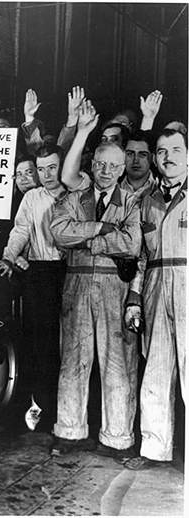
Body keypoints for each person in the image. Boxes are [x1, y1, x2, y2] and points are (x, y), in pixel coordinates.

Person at [49, 101, 142, 460]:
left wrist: (86, 239)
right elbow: (58, 233)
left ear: (122, 170)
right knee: (73, 359)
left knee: (117, 363)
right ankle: (69, 432)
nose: (105, 170)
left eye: (113, 166)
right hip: (75, 285)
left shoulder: (133, 201)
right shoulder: (75, 197)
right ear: (92, 164)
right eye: (100, 164)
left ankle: (118, 437)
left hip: (113, 288)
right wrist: (104, 229)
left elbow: (131, 243)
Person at [123, 129, 187, 470]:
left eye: (176, 149)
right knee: (157, 371)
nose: (167, 157)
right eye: (161, 151)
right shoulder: (148, 200)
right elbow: (142, 257)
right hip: (156, 283)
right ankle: (153, 449)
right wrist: (134, 298)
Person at [0, 143, 67, 433]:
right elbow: (21, 230)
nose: (47, 174)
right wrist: (9, 258)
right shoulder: (32, 197)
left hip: (71, 272)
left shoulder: (77, 193)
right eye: (42, 169)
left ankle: (71, 412)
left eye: (52, 167)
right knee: (41, 346)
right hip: (40, 272)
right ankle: (45, 411)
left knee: (70, 344)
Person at [121, 131, 158, 200]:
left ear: (152, 158)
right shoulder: (112, 186)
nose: (135, 160)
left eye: (142, 154)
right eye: (130, 154)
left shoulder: (161, 189)